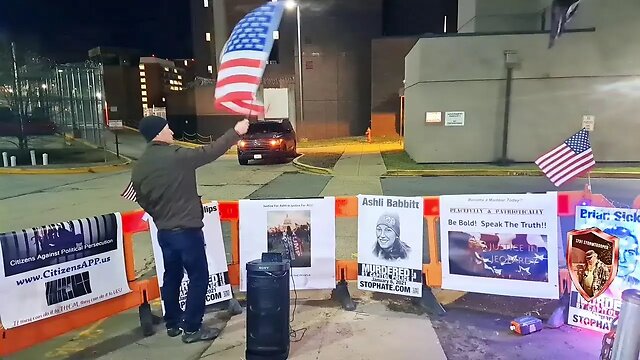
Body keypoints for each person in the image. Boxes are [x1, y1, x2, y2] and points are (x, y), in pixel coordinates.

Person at [131, 115, 249, 344]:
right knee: (198, 277)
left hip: (164, 232)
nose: (172, 132)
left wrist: (161, 216)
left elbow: (141, 197)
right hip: (186, 230)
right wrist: (235, 132)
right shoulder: (176, 157)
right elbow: (209, 152)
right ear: (158, 134)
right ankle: (192, 328)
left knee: (172, 276)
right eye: (168, 129)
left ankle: (173, 323)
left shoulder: (140, 166)